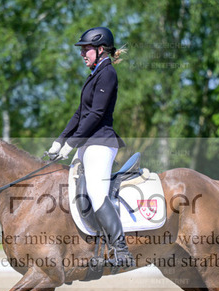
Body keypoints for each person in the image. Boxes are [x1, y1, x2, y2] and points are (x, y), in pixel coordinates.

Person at [48, 26, 134, 267]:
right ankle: (90, 249)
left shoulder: (108, 74)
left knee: (96, 194)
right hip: (87, 143)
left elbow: (96, 114)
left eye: (86, 49)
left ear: (100, 49)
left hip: (101, 143)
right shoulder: (94, 75)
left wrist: (72, 143)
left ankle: (121, 249)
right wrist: (60, 140)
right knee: (72, 192)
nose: (82, 54)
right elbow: (80, 114)